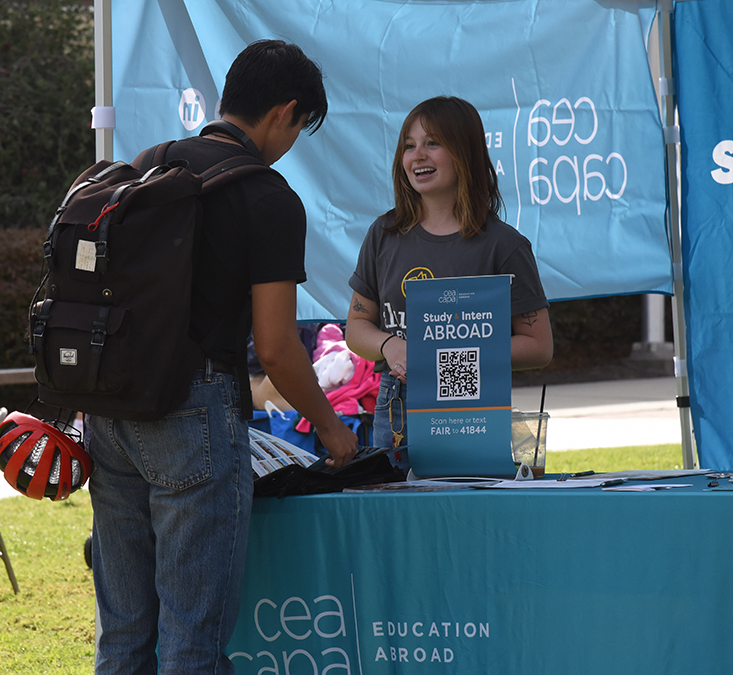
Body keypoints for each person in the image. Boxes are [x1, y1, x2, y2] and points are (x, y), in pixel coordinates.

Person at [84, 40, 357, 674]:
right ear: (285, 112)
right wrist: (331, 428)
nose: (290, 144)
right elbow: (279, 349)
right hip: (194, 419)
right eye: (298, 130)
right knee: (192, 639)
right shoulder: (266, 196)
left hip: (112, 414)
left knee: (123, 634)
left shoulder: (149, 167)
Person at [345, 96, 553, 469]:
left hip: (470, 407)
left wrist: (457, 357)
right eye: (409, 146)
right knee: (400, 523)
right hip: (396, 407)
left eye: (433, 143)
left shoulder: (504, 246)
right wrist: (390, 345)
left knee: (468, 518)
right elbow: (357, 327)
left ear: (466, 152)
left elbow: (539, 346)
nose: (417, 155)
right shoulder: (383, 234)